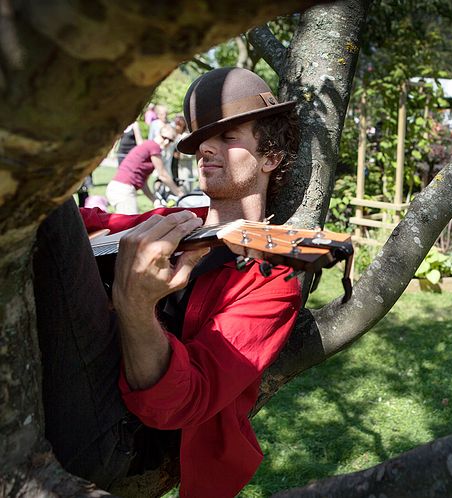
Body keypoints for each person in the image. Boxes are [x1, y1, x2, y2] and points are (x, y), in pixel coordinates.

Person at [34, 67, 301, 498]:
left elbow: (181, 403)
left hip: (122, 438)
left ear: (270, 156)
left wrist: (135, 306)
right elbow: (100, 223)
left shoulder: (270, 283)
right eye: (200, 142)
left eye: (228, 138)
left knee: (47, 200)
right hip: (65, 387)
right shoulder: (179, 222)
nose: (205, 150)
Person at [105, 124, 184, 213]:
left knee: (130, 224)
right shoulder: (154, 146)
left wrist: (154, 200)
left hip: (118, 189)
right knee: (131, 226)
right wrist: (180, 194)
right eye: (164, 137)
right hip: (123, 190)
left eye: (170, 140)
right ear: (159, 134)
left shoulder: (148, 145)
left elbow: (142, 183)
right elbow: (163, 175)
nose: (166, 142)